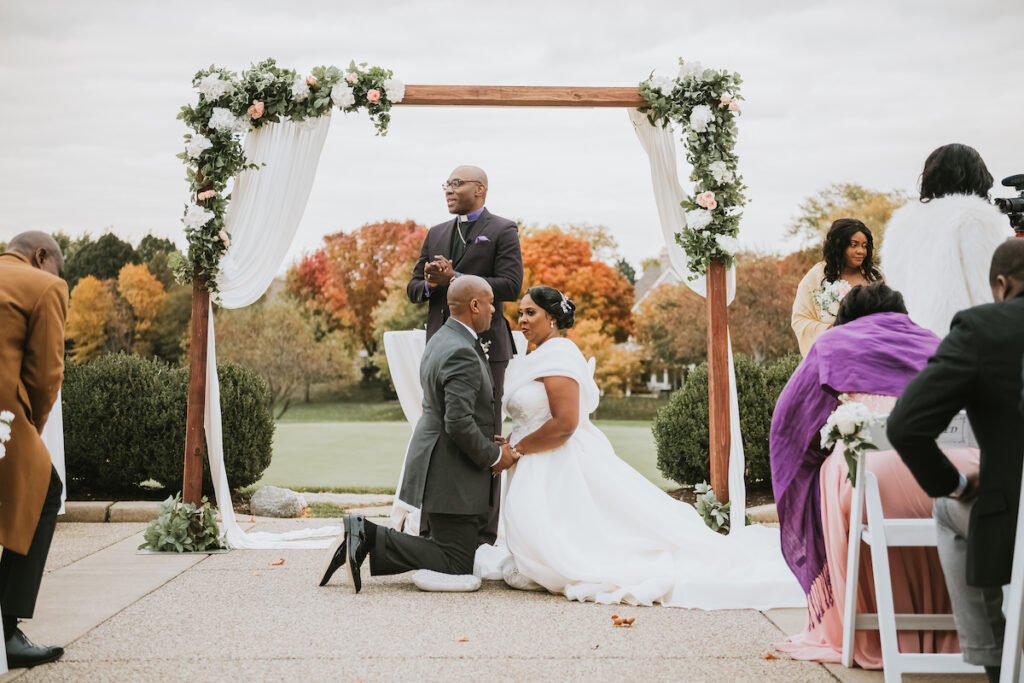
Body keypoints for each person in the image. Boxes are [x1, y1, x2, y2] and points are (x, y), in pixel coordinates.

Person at [493, 286, 803, 609]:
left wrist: (517, 449)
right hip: (533, 458)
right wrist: (513, 440)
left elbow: (565, 423)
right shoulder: (534, 357)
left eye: (531, 313)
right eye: (520, 314)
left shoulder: (558, 356)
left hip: (556, 459)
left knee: (581, 543)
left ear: (553, 318)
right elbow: (531, 413)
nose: (523, 320)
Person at [772, 282, 975, 668]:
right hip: (955, 477)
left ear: (847, 318)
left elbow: (788, 424)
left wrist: (812, 465)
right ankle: (956, 630)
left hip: (876, 482)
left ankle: (869, 629)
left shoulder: (833, 344)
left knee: (837, 474)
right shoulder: (934, 342)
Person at [320, 276, 517, 592]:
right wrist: (495, 456)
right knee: (457, 562)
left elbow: (450, 412)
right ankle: (364, 533)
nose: (495, 309)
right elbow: (457, 423)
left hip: (440, 463)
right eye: (491, 302)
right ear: (475, 305)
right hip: (452, 472)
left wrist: (485, 436)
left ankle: (360, 540)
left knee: (449, 549)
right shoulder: (462, 350)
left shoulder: (442, 338)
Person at [887, 238, 1024, 683]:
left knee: (948, 510)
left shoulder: (984, 328)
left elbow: (906, 425)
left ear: (1001, 285)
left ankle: (996, 661)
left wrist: (960, 484)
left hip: (1017, 519)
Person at [406, 165, 523, 545]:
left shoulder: (502, 229)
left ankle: (483, 535)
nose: (449, 190)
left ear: (481, 188)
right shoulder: (436, 232)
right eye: (447, 184)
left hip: (488, 347)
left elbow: (511, 284)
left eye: (456, 184)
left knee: (484, 432)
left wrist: (456, 280)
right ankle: (432, 528)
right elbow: (411, 287)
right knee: (439, 427)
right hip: (442, 344)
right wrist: (428, 282)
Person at [0, 231, 68, 669]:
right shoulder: (45, 287)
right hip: (5, 418)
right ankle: (5, 629)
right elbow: (45, 377)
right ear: (41, 256)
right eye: (56, 268)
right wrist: (32, 431)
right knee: (44, 489)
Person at [880, 143, 1010, 338]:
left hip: (909, 340)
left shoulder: (901, 222)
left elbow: (894, 287)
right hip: (959, 339)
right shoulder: (976, 216)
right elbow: (985, 289)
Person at [792, 218, 883, 356]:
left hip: (872, 354)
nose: (861, 251)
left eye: (864, 246)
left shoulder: (876, 276)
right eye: (854, 245)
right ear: (839, 246)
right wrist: (831, 330)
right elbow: (800, 319)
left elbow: (894, 314)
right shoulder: (816, 276)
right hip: (833, 355)